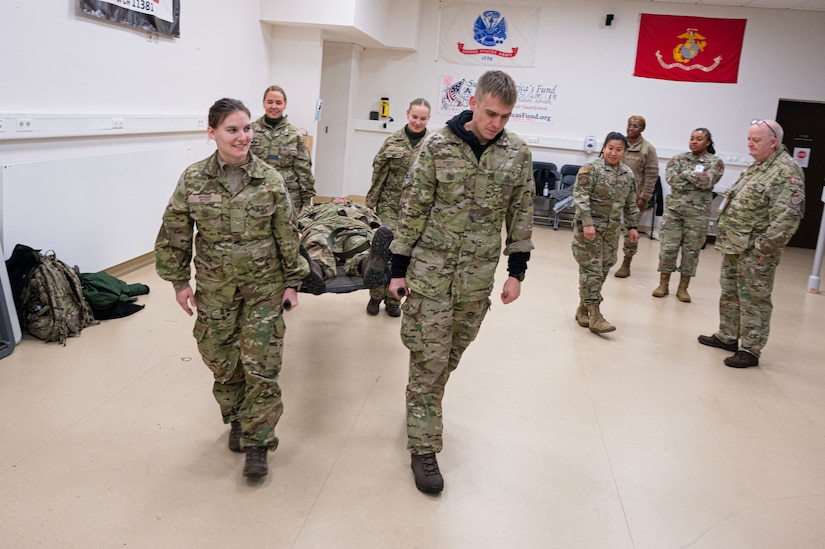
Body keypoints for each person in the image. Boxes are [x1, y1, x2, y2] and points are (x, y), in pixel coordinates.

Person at [387, 70, 534, 495]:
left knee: (450, 355)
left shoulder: (516, 154)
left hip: (476, 278)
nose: (496, 123)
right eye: (491, 113)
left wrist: (516, 271)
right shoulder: (437, 146)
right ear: (473, 103)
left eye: (505, 117)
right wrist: (397, 269)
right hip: (431, 275)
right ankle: (424, 447)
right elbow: (413, 209)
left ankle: (420, 404)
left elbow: (520, 211)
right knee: (430, 363)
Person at [154, 98, 310, 479]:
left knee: (262, 366)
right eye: (233, 130)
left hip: (264, 289)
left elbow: (287, 234)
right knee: (221, 360)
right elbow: (174, 231)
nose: (243, 137)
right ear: (212, 133)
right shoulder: (194, 178)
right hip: (215, 289)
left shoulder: (270, 179)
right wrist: (178, 282)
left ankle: (258, 442)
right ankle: (238, 414)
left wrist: (293, 281)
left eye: (246, 129)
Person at [698, 119, 805, 368]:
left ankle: (750, 349)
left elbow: (788, 216)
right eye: (749, 139)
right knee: (731, 292)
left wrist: (764, 249)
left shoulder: (786, 170)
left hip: (756, 250)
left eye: (756, 140)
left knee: (754, 298)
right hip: (735, 244)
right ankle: (728, 336)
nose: (749, 144)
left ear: (773, 142)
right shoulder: (759, 166)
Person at [364, 98, 432, 317]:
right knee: (383, 252)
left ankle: (394, 300)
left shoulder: (433, 144)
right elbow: (379, 172)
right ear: (407, 114)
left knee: (405, 255)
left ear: (428, 119)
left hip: (416, 211)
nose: (418, 122)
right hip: (389, 206)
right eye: (414, 117)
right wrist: (371, 204)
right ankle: (375, 296)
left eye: (423, 118)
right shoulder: (392, 141)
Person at [572, 132, 640, 333]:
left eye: (619, 149)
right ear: (604, 148)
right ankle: (595, 315)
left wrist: (633, 226)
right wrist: (587, 223)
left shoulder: (628, 174)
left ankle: (583, 309)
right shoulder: (590, 169)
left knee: (603, 269)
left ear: (624, 152)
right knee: (591, 269)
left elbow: (630, 203)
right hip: (589, 230)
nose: (614, 153)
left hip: (611, 232)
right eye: (610, 148)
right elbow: (580, 196)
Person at [652, 128, 725, 302]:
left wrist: (684, 174)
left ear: (707, 142)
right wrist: (696, 177)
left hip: (697, 215)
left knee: (691, 252)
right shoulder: (678, 159)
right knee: (668, 248)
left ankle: (683, 288)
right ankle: (663, 284)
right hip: (674, 212)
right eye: (692, 138)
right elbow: (672, 180)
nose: (694, 141)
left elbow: (708, 181)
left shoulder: (715, 162)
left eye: (699, 139)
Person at [298, 198, 393, 289]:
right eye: (335, 198)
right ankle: (315, 270)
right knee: (317, 241)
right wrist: (299, 230)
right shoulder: (316, 207)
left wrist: (375, 227)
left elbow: (373, 218)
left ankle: (369, 266)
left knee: (360, 242)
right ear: (331, 200)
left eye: (343, 198)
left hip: (354, 225)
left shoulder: (358, 207)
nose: (339, 198)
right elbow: (302, 218)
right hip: (322, 225)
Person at [251, 85, 316, 211]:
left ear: (285, 105)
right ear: (263, 103)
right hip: (257, 195)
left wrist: (307, 202)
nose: (274, 106)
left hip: (288, 198)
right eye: (269, 102)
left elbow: (304, 170)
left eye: (278, 103)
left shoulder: (295, 135)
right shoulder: (250, 131)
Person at [615, 115, 659, 278]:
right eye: (629, 125)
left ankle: (626, 263)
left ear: (642, 129)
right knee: (609, 228)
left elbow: (652, 175)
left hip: (634, 198)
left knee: (630, 232)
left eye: (635, 126)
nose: (631, 128)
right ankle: (605, 259)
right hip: (613, 196)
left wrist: (644, 197)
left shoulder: (648, 149)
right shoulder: (618, 144)